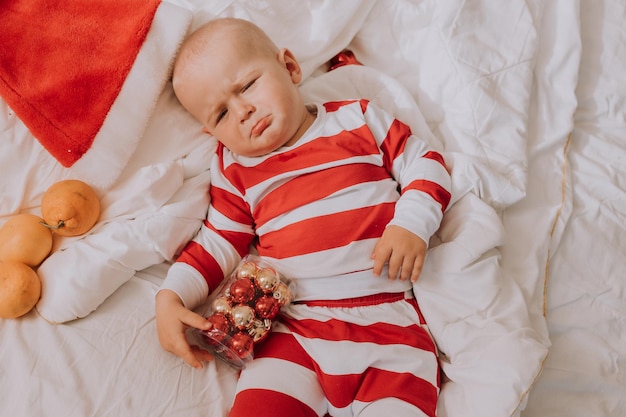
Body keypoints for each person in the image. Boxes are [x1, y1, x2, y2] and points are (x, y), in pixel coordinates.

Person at [156, 17, 451, 417]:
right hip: (295, 330)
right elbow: (218, 240)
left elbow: (426, 163)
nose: (242, 111)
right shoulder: (234, 169)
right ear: (212, 133)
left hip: (390, 326)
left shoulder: (358, 120)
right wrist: (171, 296)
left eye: (247, 87)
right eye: (221, 114)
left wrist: (411, 223)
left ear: (290, 68)